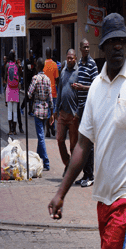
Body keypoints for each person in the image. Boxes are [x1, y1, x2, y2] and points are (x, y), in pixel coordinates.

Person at [47, 13, 126, 249]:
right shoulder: (97, 89)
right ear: (102, 47)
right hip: (103, 200)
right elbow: (81, 146)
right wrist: (60, 193)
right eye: (112, 41)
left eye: (122, 41)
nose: (117, 47)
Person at [71, 39, 101, 187]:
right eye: (85, 47)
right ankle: (85, 174)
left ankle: (90, 175)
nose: (87, 49)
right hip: (80, 107)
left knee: (88, 142)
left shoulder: (92, 64)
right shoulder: (79, 65)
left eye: (89, 47)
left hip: (88, 107)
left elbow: (96, 86)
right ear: (80, 49)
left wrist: (82, 87)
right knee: (82, 142)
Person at [55, 48, 80, 177]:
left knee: (73, 145)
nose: (69, 60)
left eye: (72, 58)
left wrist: (79, 112)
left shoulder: (79, 72)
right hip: (62, 113)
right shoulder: (63, 70)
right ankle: (68, 162)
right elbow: (59, 91)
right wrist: (55, 110)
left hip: (74, 115)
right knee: (59, 139)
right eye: (68, 57)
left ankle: (72, 170)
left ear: (75, 58)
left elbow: (81, 94)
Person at [28, 58, 54, 171]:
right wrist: (52, 111)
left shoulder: (35, 79)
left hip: (38, 109)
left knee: (41, 136)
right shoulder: (47, 79)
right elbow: (51, 97)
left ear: (37, 66)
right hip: (46, 110)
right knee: (41, 136)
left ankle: (46, 162)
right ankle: (37, 159)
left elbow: (29, 93)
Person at [6, 53, 22, 136]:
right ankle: (15, 130)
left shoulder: (7, 65)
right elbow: (20, 75)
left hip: (9, 90)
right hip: (15, 90)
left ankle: (10, 130)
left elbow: (6, 77)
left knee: (9, 111)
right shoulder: (16, 65)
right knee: (15, 111)